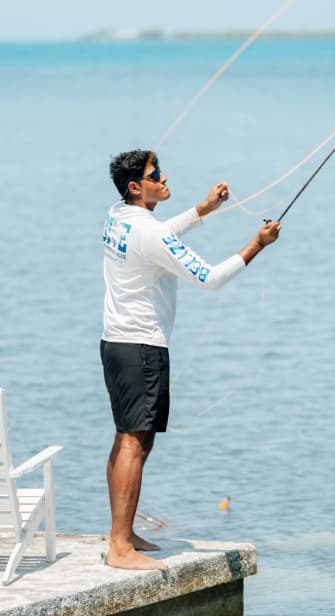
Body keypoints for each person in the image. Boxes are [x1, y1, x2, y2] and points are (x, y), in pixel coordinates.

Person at [100, 149, 280, 570]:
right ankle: (119, 549)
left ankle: (120, 535)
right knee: (134, 442)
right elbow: (210, 278)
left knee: (127, 439)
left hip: (115, 343)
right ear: (134, 187)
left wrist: (203, 210)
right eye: (154, 174)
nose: (163, 178)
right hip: (142, 348)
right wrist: (257, 244)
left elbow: (158, 233)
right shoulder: (151, 235)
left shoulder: (117, 215)